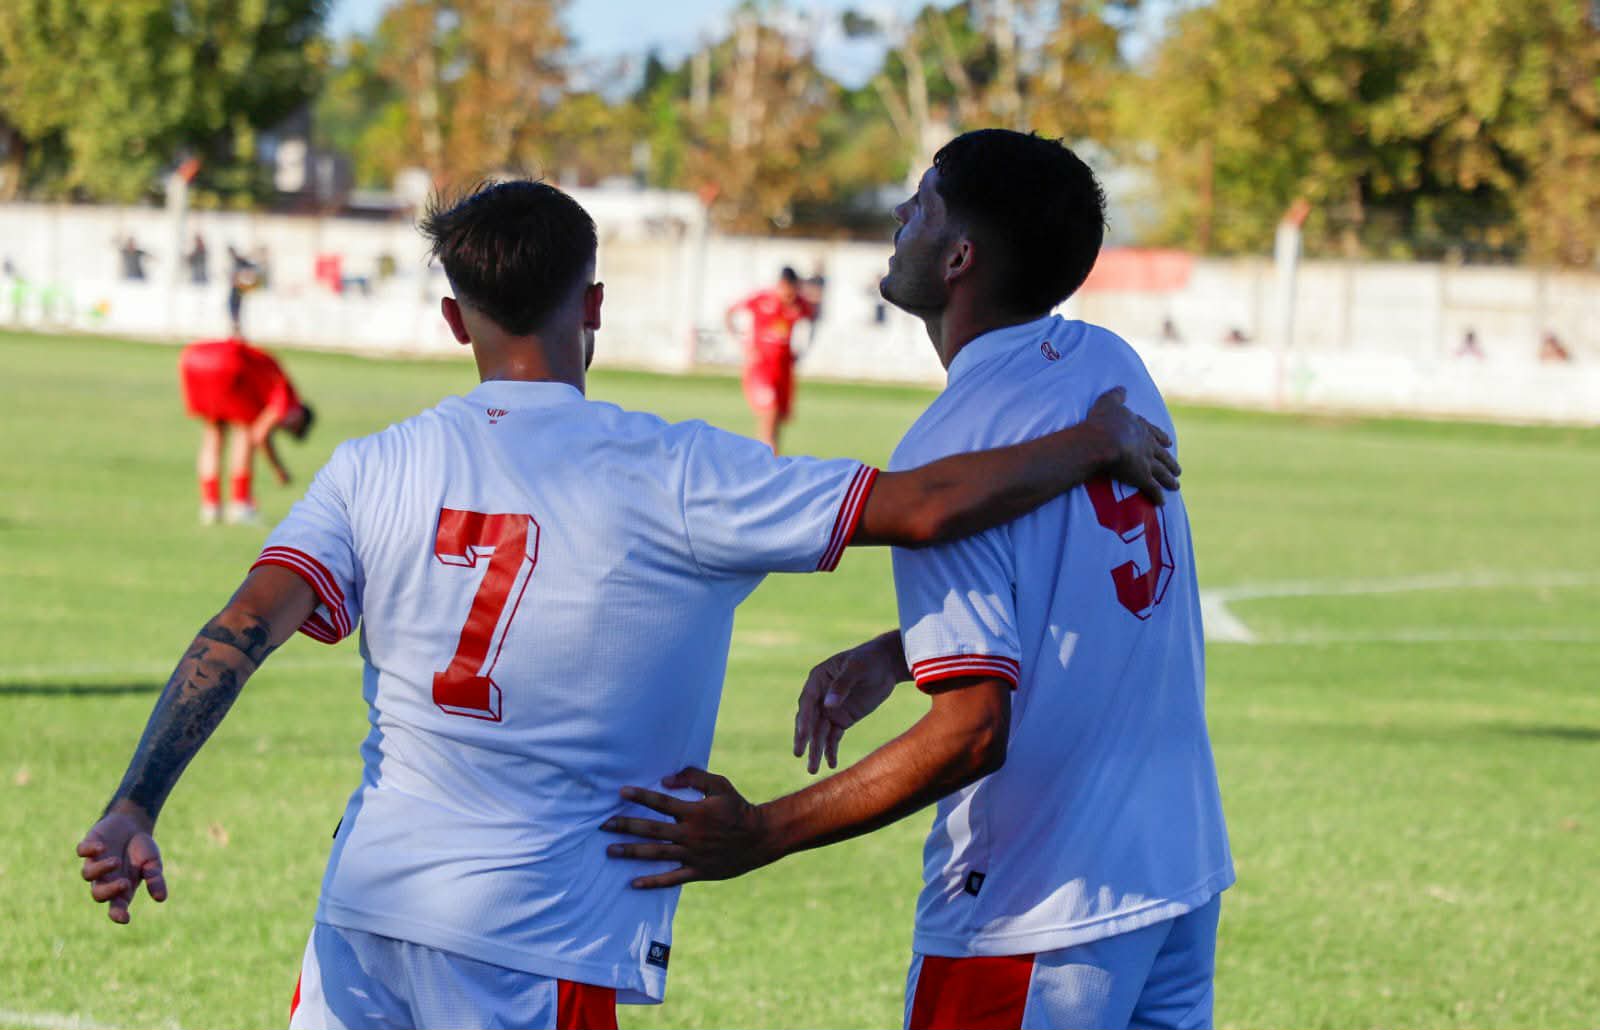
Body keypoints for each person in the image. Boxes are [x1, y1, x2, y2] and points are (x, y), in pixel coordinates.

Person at [75, 179, 1181, 1030]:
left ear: (458, 321)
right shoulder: (674, 472)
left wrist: (134, 802)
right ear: (593, 306)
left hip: (362, 918)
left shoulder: (371, 466)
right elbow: (927, 507)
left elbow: (236, 633)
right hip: (534, 936)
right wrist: (1094, 440)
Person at [607, 130, 1232, 1030]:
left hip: (1035, 911)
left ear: (959, 257)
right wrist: (904, 652)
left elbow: (972, 733)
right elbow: (1076, 582)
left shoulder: (949, 445)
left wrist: (762, 832)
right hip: (1175, 875)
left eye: (923, 203)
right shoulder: (1109, 369)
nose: (901, 216)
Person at [177, 336, 315, 524]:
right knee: (244, 430)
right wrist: (279, 469)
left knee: (213, 431)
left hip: (193, 358)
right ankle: (240, 505)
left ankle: (210, 507)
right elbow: (259, 434)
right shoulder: (290, 398)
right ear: (300, 417)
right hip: (227, 363)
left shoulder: (270, 375)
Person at [725, 265, 817, 453]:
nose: (790, 295)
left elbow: (811, 321)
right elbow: (729, 312)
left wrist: (802, 349)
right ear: (781, 285)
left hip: (783, 368)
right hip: (761, 367)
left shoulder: (799, 304)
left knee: (777, 420)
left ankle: (770, 459)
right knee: (769, 413)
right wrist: (742, 343)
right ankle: (766, 461)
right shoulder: (762, 299)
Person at [227, 246, 261, 336]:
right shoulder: (239, 263)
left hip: (237, 292)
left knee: (235, 312)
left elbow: (253, 269)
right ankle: (236, 332)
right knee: (234, 313)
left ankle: (237, 332)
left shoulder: (241, 263)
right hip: (236, 291)